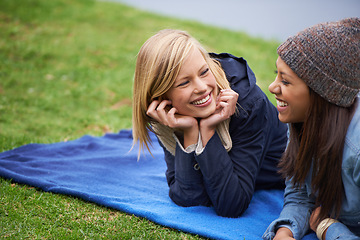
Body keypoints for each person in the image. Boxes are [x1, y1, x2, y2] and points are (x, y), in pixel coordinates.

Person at [132, 29, 288, 218]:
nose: (202, 87)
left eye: (204, 71)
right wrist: (188, 132)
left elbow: (232, 205)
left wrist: (207, 130)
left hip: (284, 174)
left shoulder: (248, 104)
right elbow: (189, 198)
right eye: (184, 83)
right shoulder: (163, 114)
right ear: (161, 95)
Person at [263, 18, 360, 240]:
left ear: (322, 95)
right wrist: (285, 231)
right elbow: (300, 193)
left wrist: (327, 228)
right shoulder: (304, 120)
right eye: (277, 74)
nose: (272, 86)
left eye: (285, 81)